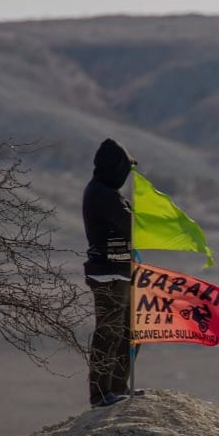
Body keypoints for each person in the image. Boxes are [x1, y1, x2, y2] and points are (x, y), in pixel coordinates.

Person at [83, 138, 136, 408]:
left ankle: (117, 386)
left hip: (120, 272)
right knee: (109, 333)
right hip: (108, 274)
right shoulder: (102, 194)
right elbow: (132, 227)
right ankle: (102, 394)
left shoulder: (107, 193)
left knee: (128, 332)